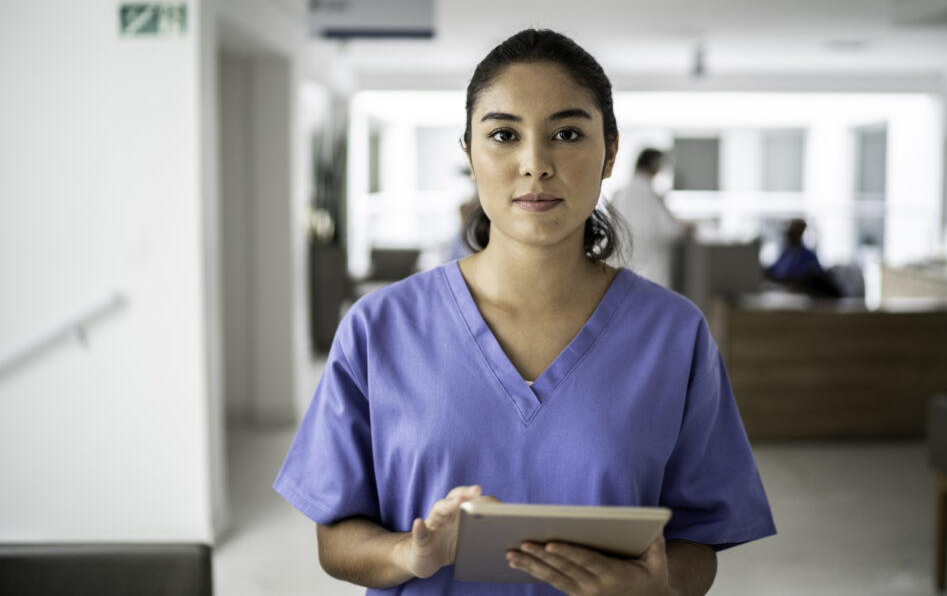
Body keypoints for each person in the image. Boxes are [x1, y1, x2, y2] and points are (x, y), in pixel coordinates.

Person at [274, 29, 776, 595]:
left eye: (566, 134)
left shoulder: (674, 335)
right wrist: (409, 553)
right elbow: (336, 539)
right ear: (469, 152)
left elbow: (697, 542)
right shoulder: (379, 328)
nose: (535, 164)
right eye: (504, 135)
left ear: (610, 151)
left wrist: (657, 589)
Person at [611, 148, 690, 289]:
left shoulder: (622, 192)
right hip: (649, 271)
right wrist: (685, 227)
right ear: (655, 164)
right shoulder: (648, 193)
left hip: (624, 270)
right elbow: (668, 231)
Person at [765, 218, 841, 298]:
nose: (790, 235)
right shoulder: (785, 253)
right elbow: (773, 270)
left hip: (801, 296)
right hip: (781, 292)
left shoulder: (808, 256)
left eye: (794, 232)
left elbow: (813, 279)